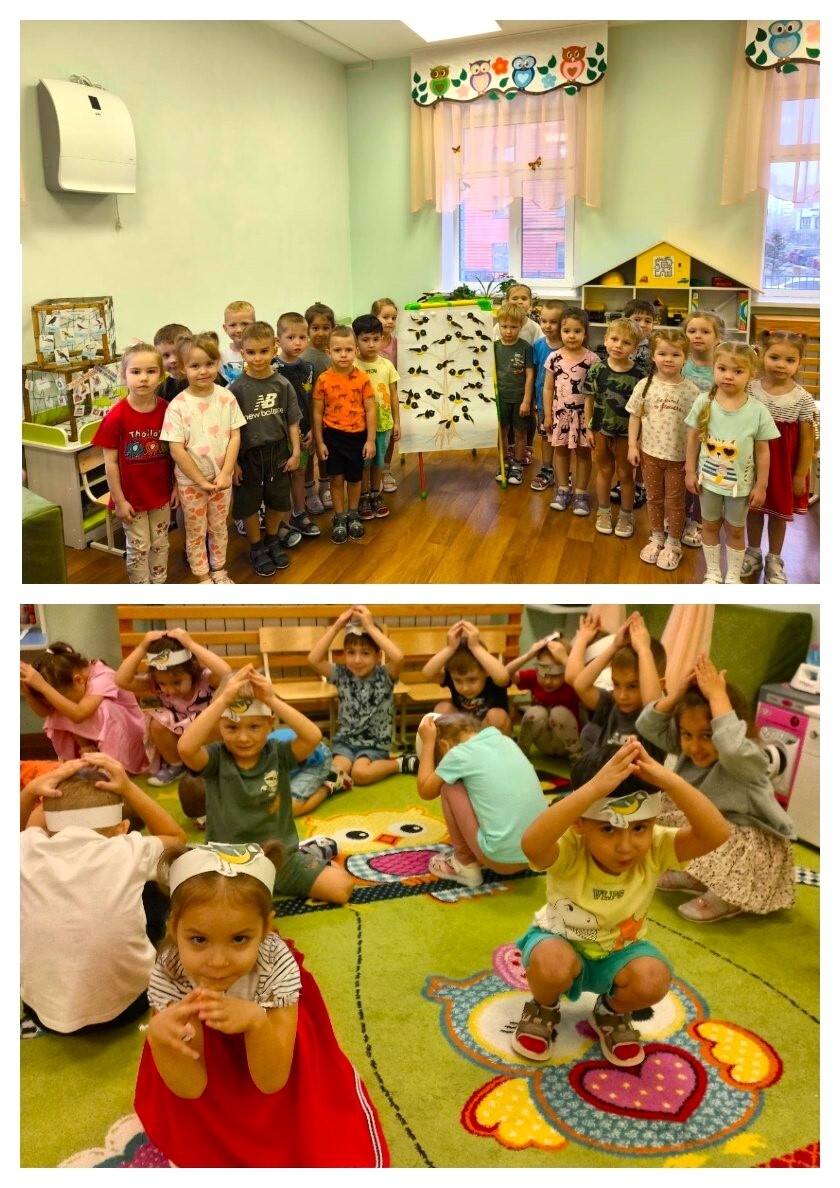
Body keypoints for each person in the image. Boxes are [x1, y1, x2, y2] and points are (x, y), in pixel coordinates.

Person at [133, 841, 390, 1168]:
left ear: (266, 928)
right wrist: (161, 1042)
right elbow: (192, 1087)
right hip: (208, 1075)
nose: (218, 962)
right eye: (199, 939)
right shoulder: (171, 970)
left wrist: (256, 1022)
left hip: (273, 1053)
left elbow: (272, 1081)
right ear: (174, 928)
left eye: (239, 939)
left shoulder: (276, 965)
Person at [509, 738, 730, 1064]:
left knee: (654, 978)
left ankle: (610, 1013)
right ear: (580, 823)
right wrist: (591, 791)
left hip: (619, 952)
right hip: (559, 941)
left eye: (640, 828)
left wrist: (670, 781)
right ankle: (543, 1007)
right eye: (609, 830)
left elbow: (716, 833)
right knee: (551, 964)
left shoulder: (655, 847)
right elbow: (531, 844)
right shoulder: (571, 845)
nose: (626, 846)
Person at [20, 753, 186, 1034]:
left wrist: (30, 792)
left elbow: (29, 827)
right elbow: (177, 839)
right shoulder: (126, 849)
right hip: (129, 1007)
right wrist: (129, 788)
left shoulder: (27, 847)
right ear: (122, 829)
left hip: (42, 1013)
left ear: (46, 828)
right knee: (157, 879)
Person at [636, 653, 795, 923]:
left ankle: (727, 896)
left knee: (718, 832)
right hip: (717, 828)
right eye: (687, 735)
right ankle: (698, 876)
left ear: (728, 727)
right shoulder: (691, 750)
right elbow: (647, 725)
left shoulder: (746, 758)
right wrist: (677, 695)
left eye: (707, 735)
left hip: (752, 846)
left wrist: (718, 695)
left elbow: (731, 747)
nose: (695, 746)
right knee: (666, 809)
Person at [177, 665, 353, 905]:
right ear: (219, 725)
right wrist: (222, 701)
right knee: (207, 902)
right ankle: (310, 851)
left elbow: (313, 736)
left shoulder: (278, 753)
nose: (243, 738)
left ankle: (309, 850)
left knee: (341, 887)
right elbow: (186, 748)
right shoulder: (216, 759)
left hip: (279, 858)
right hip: (228, 862)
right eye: (232, 727)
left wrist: (271, 699)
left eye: (254, 726)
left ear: (270, 725)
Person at [685, 341, 780, 583]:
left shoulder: (758, 410)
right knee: (709, 526)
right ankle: (713, 572)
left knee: (736, 530)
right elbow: (692, 439)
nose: (728, 376)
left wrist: (761, 485)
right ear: (714, 369)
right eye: (722, 369)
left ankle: (733, 577)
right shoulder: (703, 402)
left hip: (740, 487)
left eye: (738, 371)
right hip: (708, 482)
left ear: (751, 374)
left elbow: (763, 452)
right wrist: (689, 471)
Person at [416, 712, 546, 887]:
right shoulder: (506, 741)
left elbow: (425, 789)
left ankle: (464, 864)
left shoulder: (458, 754)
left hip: (501, 859)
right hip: (539, 852)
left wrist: (428, 743)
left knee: (450, 787)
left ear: (445, 746)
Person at [161, 332, 245, 585]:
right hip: (192, 484)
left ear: (217, 362)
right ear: (183, 368)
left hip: (221, 481)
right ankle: (202, 575)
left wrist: (226, 472)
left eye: (209, 363)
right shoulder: (177, 406)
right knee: (196, 531)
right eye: (195, 366)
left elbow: (235, 436)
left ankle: (218, 569)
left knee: (219, 527)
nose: (203, 371)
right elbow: (177, 450)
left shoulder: (226, 397)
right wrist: (200, 481)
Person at [92, 342, 176, 584]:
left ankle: (158, 585)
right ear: (124, 375)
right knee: (139, 547)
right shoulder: (116, 416)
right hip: (131, 498)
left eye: (151, 371)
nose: (144, 378)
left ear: (161, 376)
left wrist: (176, 487)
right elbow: (110, 464)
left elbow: (175, 453)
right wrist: (119, 501)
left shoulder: (167, 410)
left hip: (161, 495)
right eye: (136, 372)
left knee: (160, 543)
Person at [308, 605, 418, 784]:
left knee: (361, 774)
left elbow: (398, 658)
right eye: (351, 653)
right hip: (345, 741)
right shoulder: (341, 674)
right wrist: (336, 626)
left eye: (365, 653)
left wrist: (370, 627)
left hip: (375, 743)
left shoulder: (385, 675)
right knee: (336, 772)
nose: (357, 660)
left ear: (377, 656)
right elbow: (313, 659)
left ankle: (400, 762)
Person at [229, 320, 303, 578]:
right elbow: (231, 431)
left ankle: (271, 538)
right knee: (248, 504)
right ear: (242, 353)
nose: (258, 358)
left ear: (274, 349)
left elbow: (292, 421)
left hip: (278, 453)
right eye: (251, 352)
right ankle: (256, 546)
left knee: (277, 499)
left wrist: (295, 452)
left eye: (263, 351)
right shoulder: (236, 389)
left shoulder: (283, 384)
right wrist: (233, 464)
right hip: (248, 456)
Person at [741, 330, 816, 585]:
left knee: (778, 514)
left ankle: (774, 558)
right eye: (774, 357)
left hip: (783, 468)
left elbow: (807, 440)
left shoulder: (802, 398)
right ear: (762, 356)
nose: (781, 365)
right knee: (753, 509)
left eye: (790, 360)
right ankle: (753, 552)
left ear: (799, 362)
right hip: (752, 463)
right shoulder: (750, 388)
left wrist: (800, 474)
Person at [115, 628, 232, 788]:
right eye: (162, 683)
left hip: (204, 733)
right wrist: (142, 647)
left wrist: (190, 644)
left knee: (215, 722)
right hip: (179, 733)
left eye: (177, 682)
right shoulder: (155, 684)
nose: (169, 690)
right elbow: (121, 680)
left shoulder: (205, 679)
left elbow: (226, 673)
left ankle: (206, 766)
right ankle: (176, 765)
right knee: (156, 723)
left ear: (192, 670)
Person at [626, 328, 700, 572]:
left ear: (685, 357)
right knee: (653, 498)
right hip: (650, 455)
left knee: (676, 503)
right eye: (663, 353)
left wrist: (692, 462)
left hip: (678, 459)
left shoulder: (692, 391)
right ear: (653, 356)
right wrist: (632, 445)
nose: (669, 359)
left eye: (675, 354)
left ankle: (674, 543)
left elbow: (695, 430)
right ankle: (657, 536)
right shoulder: (644, 385)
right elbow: (635, 416)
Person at [21, 641, 148, 773]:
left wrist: (43, 686)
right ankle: (86, 755)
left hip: (130, 744)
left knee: (101, 708)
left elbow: (79, 714)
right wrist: (28, 693)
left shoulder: (103, 677)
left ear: (78, 680)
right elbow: (45, 713)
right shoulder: (75, 681)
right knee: (60, 708)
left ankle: (112, 766)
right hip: (95, 743)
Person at [565, 611, 665, 759]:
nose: (622, 695)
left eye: (632, 686)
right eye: (616, 685)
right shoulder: (613, 705)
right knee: (589, 732)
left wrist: (644, 650)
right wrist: (614, 646)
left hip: (635, 775)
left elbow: (651, 706)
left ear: (660, 685)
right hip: (606, 772)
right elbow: (580, 685)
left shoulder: (656, 719)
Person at [311, 324, 377, 544]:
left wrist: (370, 440)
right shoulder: (323, 380)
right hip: (333, 438)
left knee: (355, 479)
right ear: (328, 352)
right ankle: (339, 516)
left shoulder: (363, 378)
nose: (343, 355)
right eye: (338, 350)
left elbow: (370, 409)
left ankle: (353, 513)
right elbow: (317, 412)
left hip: (357, 438)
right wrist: (320, 442)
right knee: (336, 479)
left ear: (356, 351)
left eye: (348, 350)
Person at [583, 317, 646, 538]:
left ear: (635, 348)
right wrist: (588, 428)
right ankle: (603, 511)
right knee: (604, 471)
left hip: (627, 436)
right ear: (605, 339)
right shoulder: (596, 369)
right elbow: (589, 400)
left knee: (626, 475)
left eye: (626, 342)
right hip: (600, 431)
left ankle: (626, 515)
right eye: (614, 339)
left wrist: (638, 440)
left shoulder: (640, 376)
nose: (618, 345)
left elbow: (642, 411)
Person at [543, 307, 600, 516]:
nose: (572, 335)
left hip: (584, 417)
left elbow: (595, 393)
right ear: (560, 332)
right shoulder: (554, 358)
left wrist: (593, 422)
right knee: (561, 451)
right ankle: (563, 490)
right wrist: (547, 415)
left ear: (585, 333)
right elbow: (548, 388)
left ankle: (581, 493)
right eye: (567, 331)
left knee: (583, 454)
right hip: (560, 415)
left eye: (577, 331)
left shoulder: (593, 360)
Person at [274, 311, 321, 539]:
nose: (297, 343)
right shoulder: (271, 367)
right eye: (291, 337)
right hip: (277, 432)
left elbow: (310, 400)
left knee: (300, 472)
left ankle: (299, 514)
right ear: (278, 339)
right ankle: (279, 521)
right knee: (280, 477)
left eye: (302, 337)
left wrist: (311, 428)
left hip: (302, 431)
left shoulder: (308, 368)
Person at [680, 310, 725, 548]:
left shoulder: (722, 367)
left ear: (718, 337)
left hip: (710, 433)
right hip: (680, 431)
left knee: (704, 476)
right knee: (682, 473)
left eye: (705, 331)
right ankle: (680, 514)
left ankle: (698, 520)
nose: (698, 336)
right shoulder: (680, 361)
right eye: (692, 331)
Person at [422, 620, 512, 734]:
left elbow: (503, 678)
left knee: (497, 716)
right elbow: (427, 674)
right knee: (442, 708)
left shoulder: (493, 676)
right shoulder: (452, 675)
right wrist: (450, 648)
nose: (465, 688)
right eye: (458, 681)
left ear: (486, 671)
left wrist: (475, 647)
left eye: (472, 679)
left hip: (488, 733)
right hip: (464, 731)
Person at [352, 313, 400, 521]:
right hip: (359, 426)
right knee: (364, 462)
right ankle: (363, 496)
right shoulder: (352, 365)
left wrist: (397, 422)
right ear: (356, 340)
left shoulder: (387, 365)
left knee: (378, 461)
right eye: (365, 339)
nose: (371, 344)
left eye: (375, 339)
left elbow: (394, 394)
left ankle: (375, 494)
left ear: (381, 338)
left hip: (384, 423)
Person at [505, 634, 582, 759]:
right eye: (543, 674)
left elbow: (585, 681)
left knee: (559, 713)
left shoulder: (571, 682)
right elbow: (504, 675)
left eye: (555, 676)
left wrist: (565, 659)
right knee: (535, 713)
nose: (547, 681)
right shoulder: (534, 678)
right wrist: (528, 655)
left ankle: (577, 757)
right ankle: (521, 753)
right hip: (544, 743)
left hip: (566, 744)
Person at [493, 301, 535, 487]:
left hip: (519, 399)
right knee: (502, 432)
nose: (508, 331)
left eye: (513, 327)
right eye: (504, 327)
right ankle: (503, 463)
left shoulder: (525, 347)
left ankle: (517, 464)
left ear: (521, 325)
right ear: (499, 325)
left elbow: (529, 375)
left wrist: (526, 400)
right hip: (500, 399)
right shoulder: (493, 347)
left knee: (519, 433)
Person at [302, 301, 336, 514]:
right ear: (307, 329)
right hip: (308, 416)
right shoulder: (304, 357)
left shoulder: (334, 354)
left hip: (330, 416)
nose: (321, 333)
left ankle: (325, 486)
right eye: (315, 328)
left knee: (326, 452)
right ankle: (309, 491)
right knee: (309, 455)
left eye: (326, 327)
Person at [529, 299, 566, 493]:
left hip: (565, 403)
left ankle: (565, 472)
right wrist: (532, 399)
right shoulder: (538, 345)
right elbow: (534, 372)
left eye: (553, 322)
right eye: (543, 321)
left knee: (564, 439)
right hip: (543, 402)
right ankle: (547, 469)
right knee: (546, 436)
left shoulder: (569, 346)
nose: (547, 326)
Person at [370, 297, 400, 491]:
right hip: (370, 397)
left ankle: (386, 470)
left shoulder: (398, 343)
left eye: (393, 318)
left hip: (389, 395)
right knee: (372, 435)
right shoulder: (369, 343)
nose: (390, 321)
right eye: (385, 317)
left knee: (388, 435)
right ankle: (372, 472)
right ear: (375, 317)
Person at [219, 299, 255, 385]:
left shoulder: (262, 352)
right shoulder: (220, 356)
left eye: (245, 324)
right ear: (225, 328)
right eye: (233, 325)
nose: (239, 330)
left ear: (255, 325)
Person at [153, 323, 191, 403]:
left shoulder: (207, 378)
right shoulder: (161, 392)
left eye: (177, 353)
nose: (172, 360)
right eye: (166, 355)